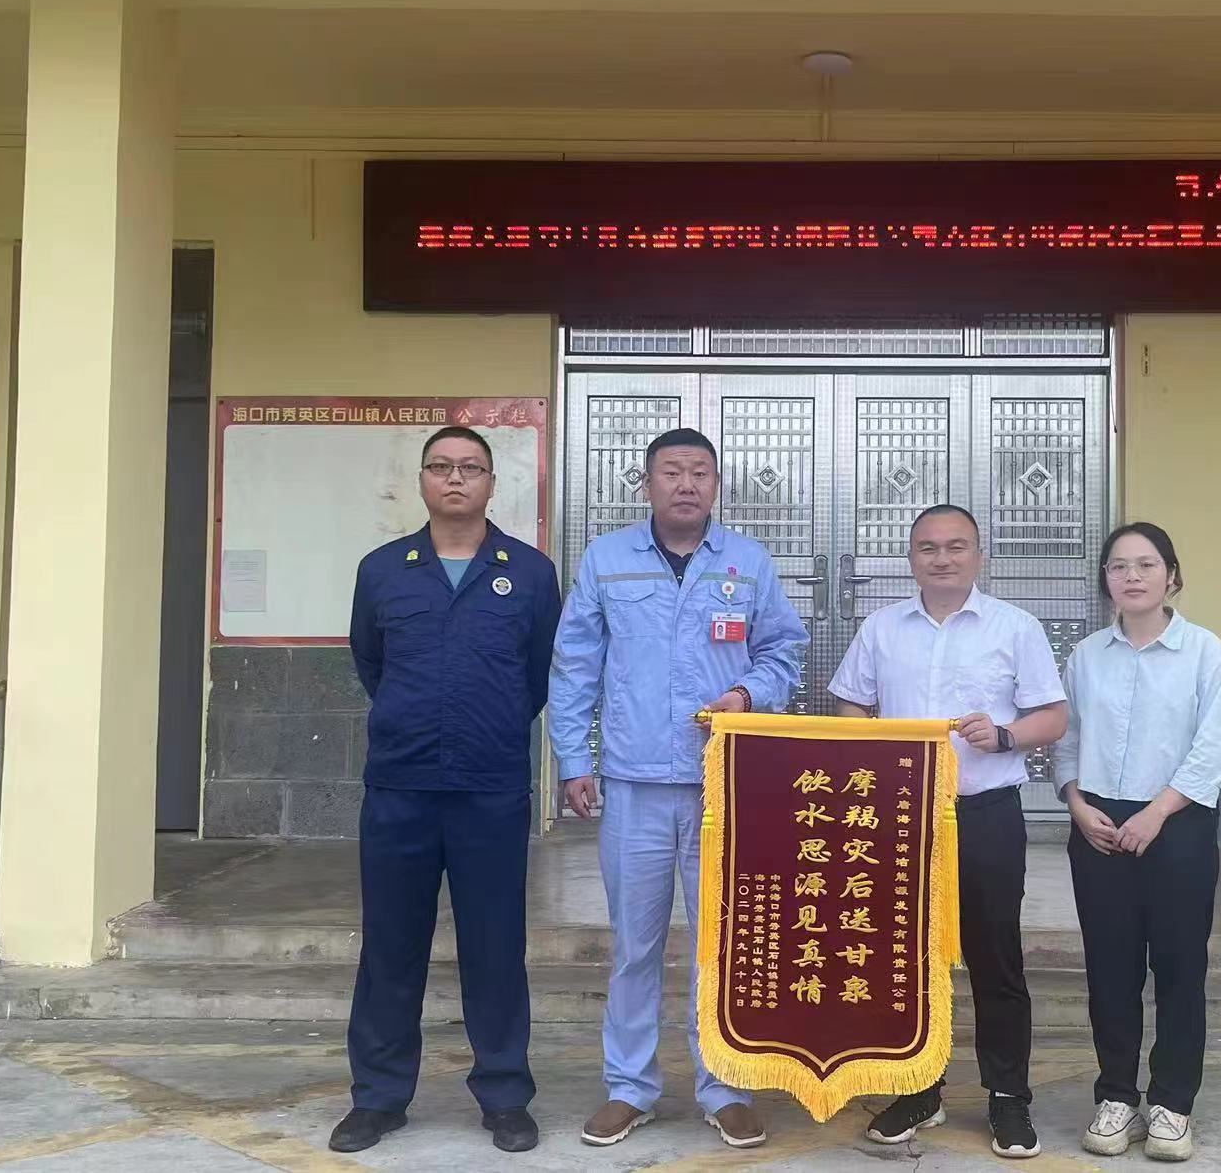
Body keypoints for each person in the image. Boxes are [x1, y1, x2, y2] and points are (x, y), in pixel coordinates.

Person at [549, 427, 808, 1150]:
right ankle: (628, 1087)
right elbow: (574, 665)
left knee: (722, 941)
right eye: (672, 472)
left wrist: (748, 694)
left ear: (717, 486)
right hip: (632, 783)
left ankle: (725, 1087)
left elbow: (784, 651)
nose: (686, 484)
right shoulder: (607, 559)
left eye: (700, 472)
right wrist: (573, 759)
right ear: (647, 483)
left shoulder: (748, 562)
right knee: (635, 945)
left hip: (722, 785)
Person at [330, 426, 561, 1155]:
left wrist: (486, 723)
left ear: (493, 483)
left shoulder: (530, 573)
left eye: (470, 468)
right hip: (400, 785)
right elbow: (371, 661)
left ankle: (505, 1096)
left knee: (495, 946)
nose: (455, 478)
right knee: (390, 946)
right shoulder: (382, 570)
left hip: (490, 787)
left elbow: (537, 674)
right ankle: (378, 1098)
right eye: (441, 466)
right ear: (422, 481)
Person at [829, 503, 1070, 1160]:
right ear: (911, 558)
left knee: (995, 956)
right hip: (901, 819)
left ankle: (1008, 1097)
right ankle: (918, 1088)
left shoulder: (1015, 628)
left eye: (956, 546)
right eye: (928, 548)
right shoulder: (881, 628)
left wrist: (1006, 735)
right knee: (905, 957)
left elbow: (1053, 716)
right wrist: (872, 744)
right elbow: (850, 700)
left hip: (985, 812)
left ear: (979, 555)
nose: (942, 558)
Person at [1053, 522, 1221, 1163]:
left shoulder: (1203, 652)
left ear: (1172, 576)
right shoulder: (1086, 657)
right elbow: (1068, 741)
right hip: (1099, 826)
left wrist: (1157, 813)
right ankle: (1116, 1097)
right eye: (1118, 566)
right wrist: (1076, 804)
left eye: (1146, 564)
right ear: (1105, 579)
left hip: (1178, 822)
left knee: (1180, 968)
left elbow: (1217, 748)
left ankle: (1172, 1103)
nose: (1131, 576)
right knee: (1110, 968)